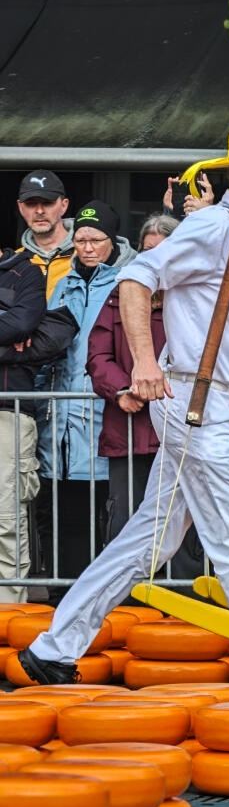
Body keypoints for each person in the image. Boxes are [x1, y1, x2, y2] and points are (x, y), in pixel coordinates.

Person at [17, 124, 229, 691]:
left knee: (151, 539)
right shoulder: (215, 226)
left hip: (217, 406)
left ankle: (53, 647)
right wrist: (144, 362)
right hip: (199, 407)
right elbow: (138, 279)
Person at [85, 214, 197, 564]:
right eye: (147, 250)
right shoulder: (120, 295)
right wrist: (121, 389)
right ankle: (127, 605)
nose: (155, 259)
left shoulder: (194, 298)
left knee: (180, 527)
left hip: (180, 429)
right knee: (125, 521)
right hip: (128, 430)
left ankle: (183, 601)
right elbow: (97, 355)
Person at [38, 202, 137, 590]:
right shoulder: (65, 285)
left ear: (113, 242)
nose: (87, 247)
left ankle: (109, 595)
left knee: (113, 511)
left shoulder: (129, 281)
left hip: (109, 412)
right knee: (69, 510)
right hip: (63, 417)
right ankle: (67, 594)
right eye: (80, 240)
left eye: (96, 239)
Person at [0, 247, 46, 597]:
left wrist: (13, 327)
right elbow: (12, 328)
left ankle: (8, 615)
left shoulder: (26, 272)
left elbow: (21, 323)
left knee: (6, 518)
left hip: (9, 410)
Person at [16, 170, 74, 298]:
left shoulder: (88, 255)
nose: (40, 211)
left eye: (48, 203)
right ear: (20, 207)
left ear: (64, 206)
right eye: (31, 204)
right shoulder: (14, 262)